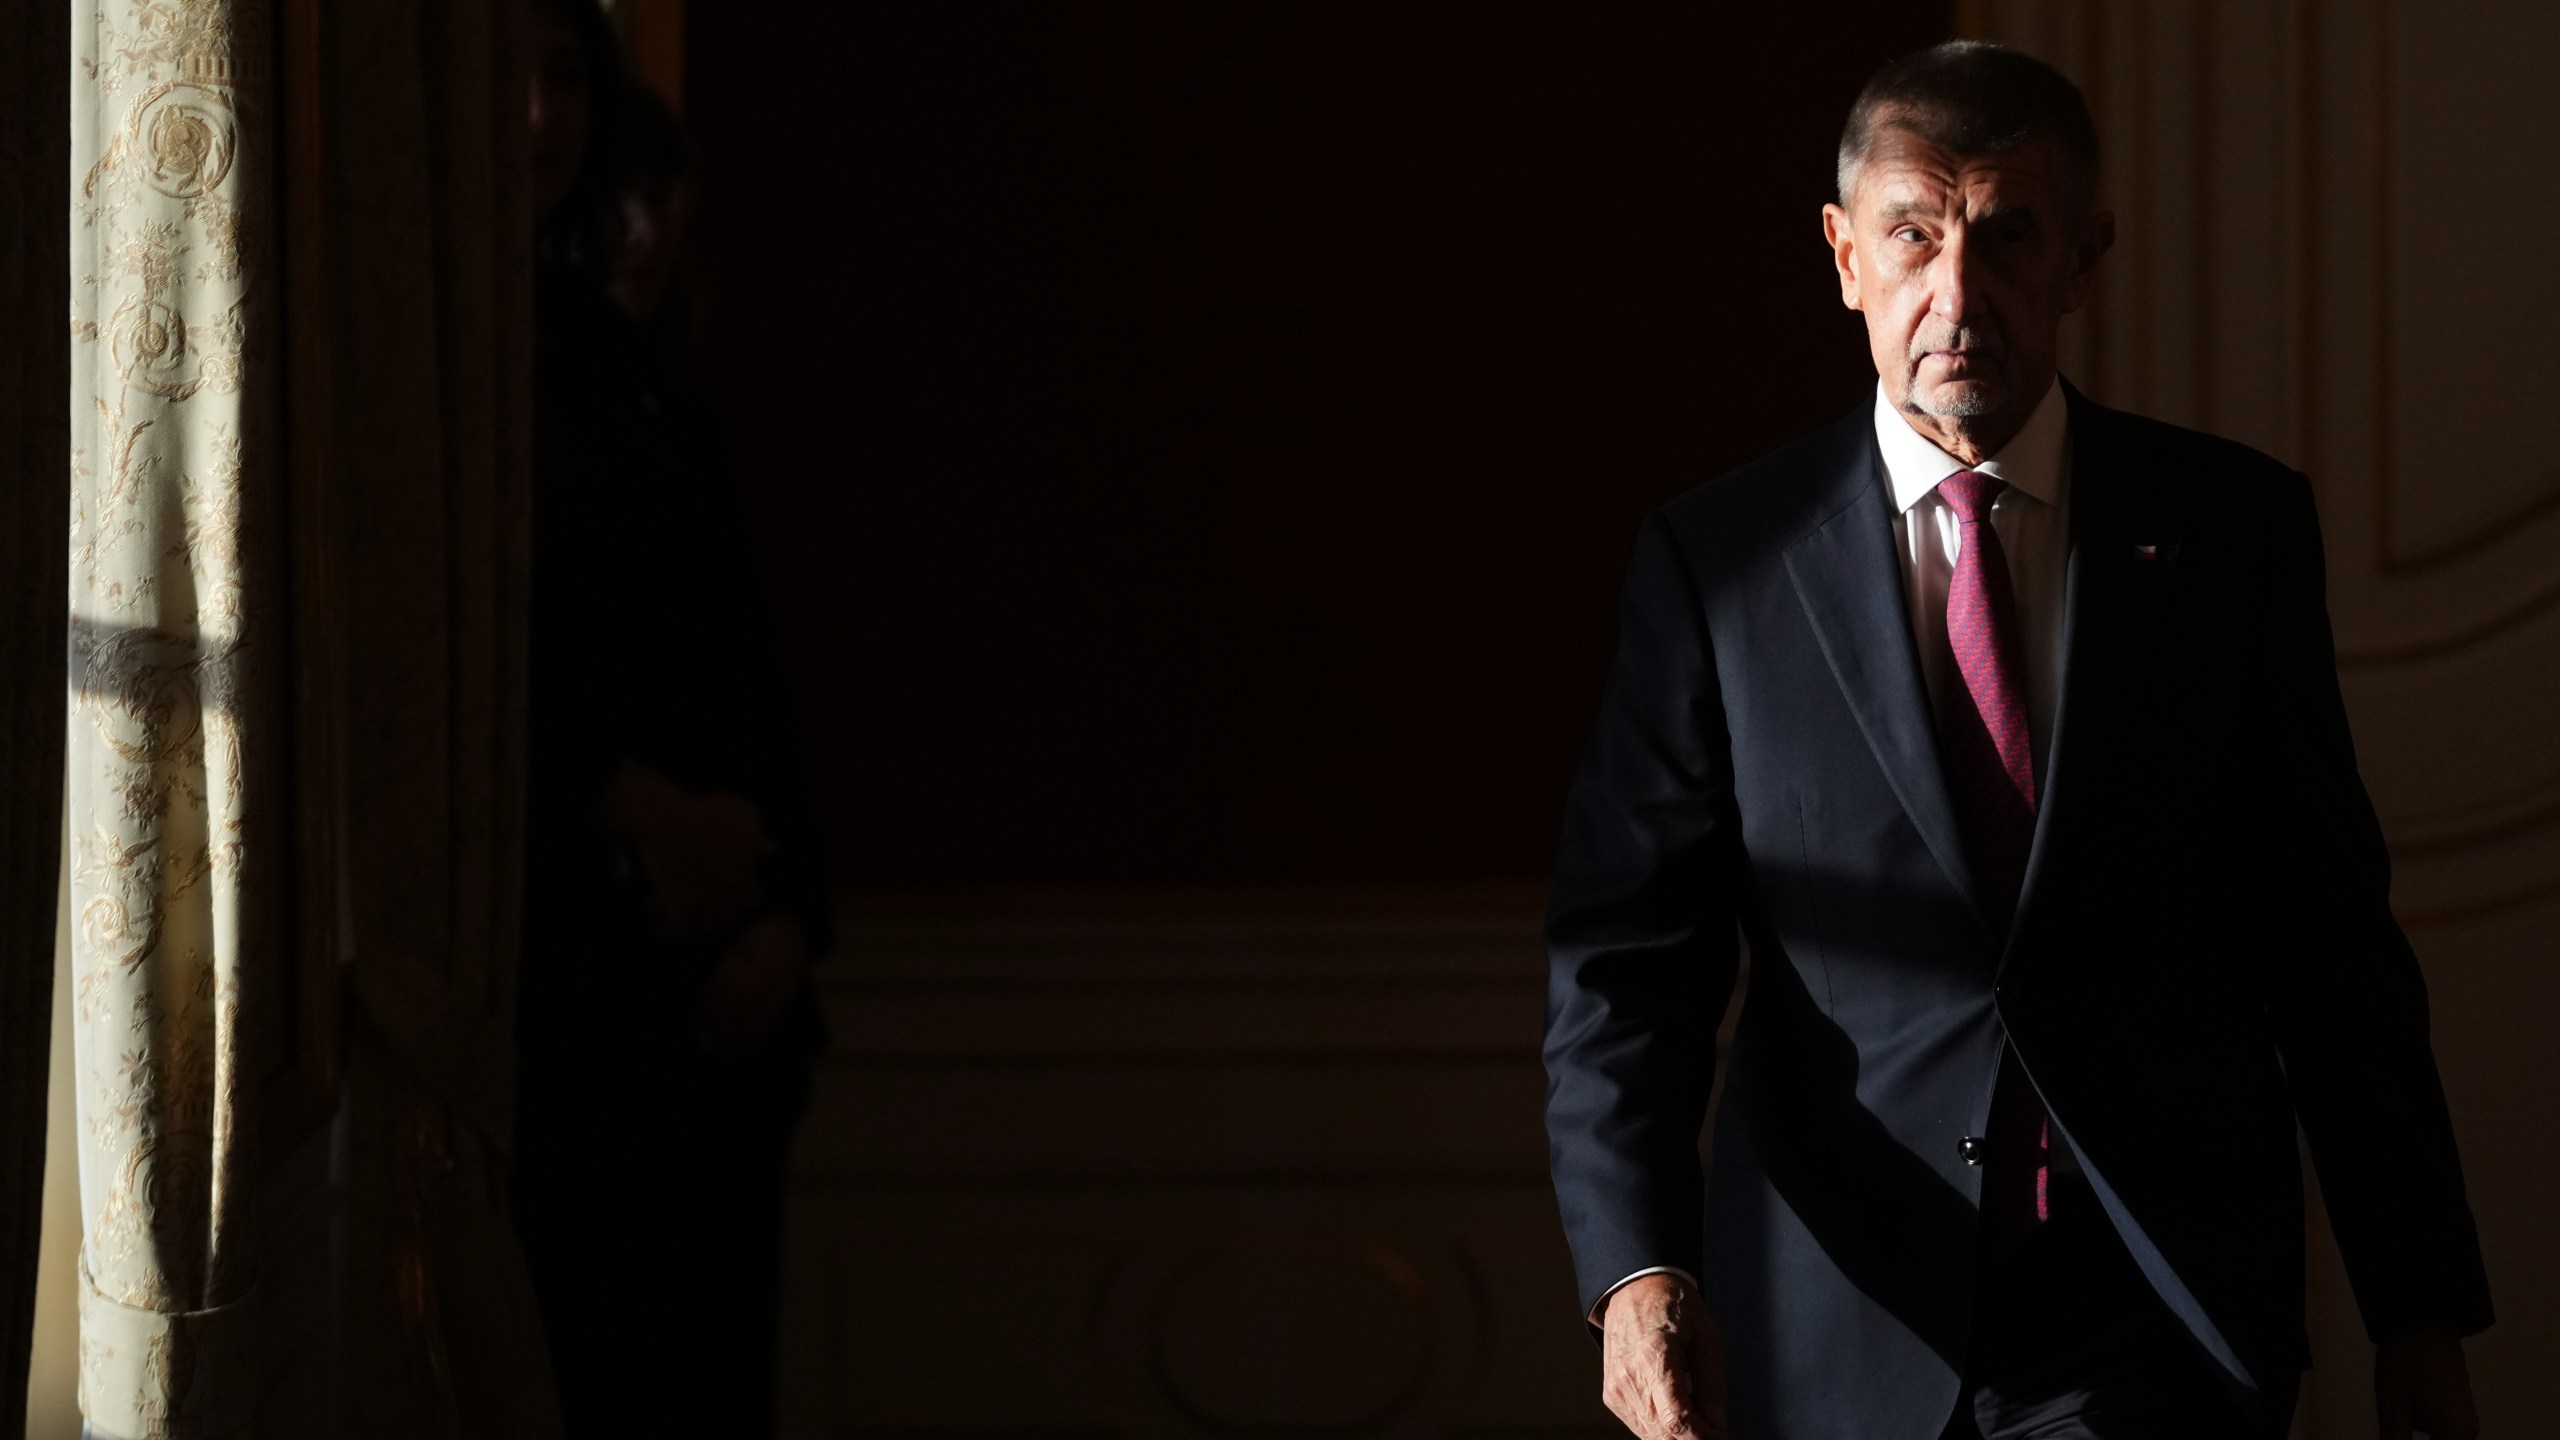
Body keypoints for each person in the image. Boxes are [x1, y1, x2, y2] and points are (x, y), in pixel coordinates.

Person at [1541, 42, 2490, 1440]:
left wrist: (2417, 1315)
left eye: (2007, 237)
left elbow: (2330, 946)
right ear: (1844, 255)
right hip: (1836, 1312)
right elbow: (1630, 955)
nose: (1956, 296)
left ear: (2085, 256)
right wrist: (1636, 1269)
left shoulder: (2233, 534)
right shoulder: (1720, 562)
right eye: (1913, 238)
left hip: (2158, 1312)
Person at [513, 2, 830, 1435]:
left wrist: (780, 915)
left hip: (721, 995)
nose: (539, 117)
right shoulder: (474, 383)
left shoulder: (649, 398)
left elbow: (758, 686)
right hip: (577, 998)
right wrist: (634, 807)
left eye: (563, 76)